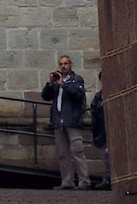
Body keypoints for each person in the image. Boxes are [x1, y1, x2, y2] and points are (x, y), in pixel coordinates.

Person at [42, 53, 91, 188]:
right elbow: (45, 96)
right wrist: (50, 84)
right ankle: (67, 181)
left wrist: (64, 85)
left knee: (77, 152)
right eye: (61, 64)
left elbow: (78, 95)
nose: (63, 66)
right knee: (62, 153)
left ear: (70, 65)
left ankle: (84, 181)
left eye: (65, 64)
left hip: (72, 121)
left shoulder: (77, 80)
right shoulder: (56, 82)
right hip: (58, 121)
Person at [90, 76, 108, 188]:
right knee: (106, 154)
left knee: (109, 154)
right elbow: (94, 111)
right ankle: (107, 179)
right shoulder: (98, 96)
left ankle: (109, 179)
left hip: (111, 127)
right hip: (102, 128)